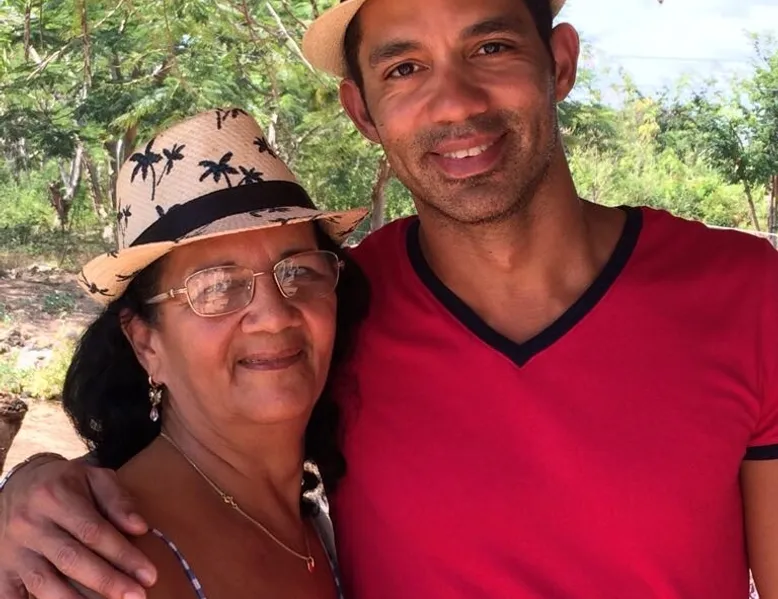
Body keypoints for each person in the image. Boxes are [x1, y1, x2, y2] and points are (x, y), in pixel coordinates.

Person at [1, 0, 777, 597]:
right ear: (362, 110)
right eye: (405, 67)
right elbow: (205, 432)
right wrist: (30, 492)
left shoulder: (747, 295)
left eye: (492, 47)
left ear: (561, 62)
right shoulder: (347, 309)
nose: (455, 102)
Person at [0, 107, 370, 599]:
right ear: (146, 343)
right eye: (216, 287)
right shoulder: (101, 570)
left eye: (299, 271)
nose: (274, 315)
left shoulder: (328, 526)